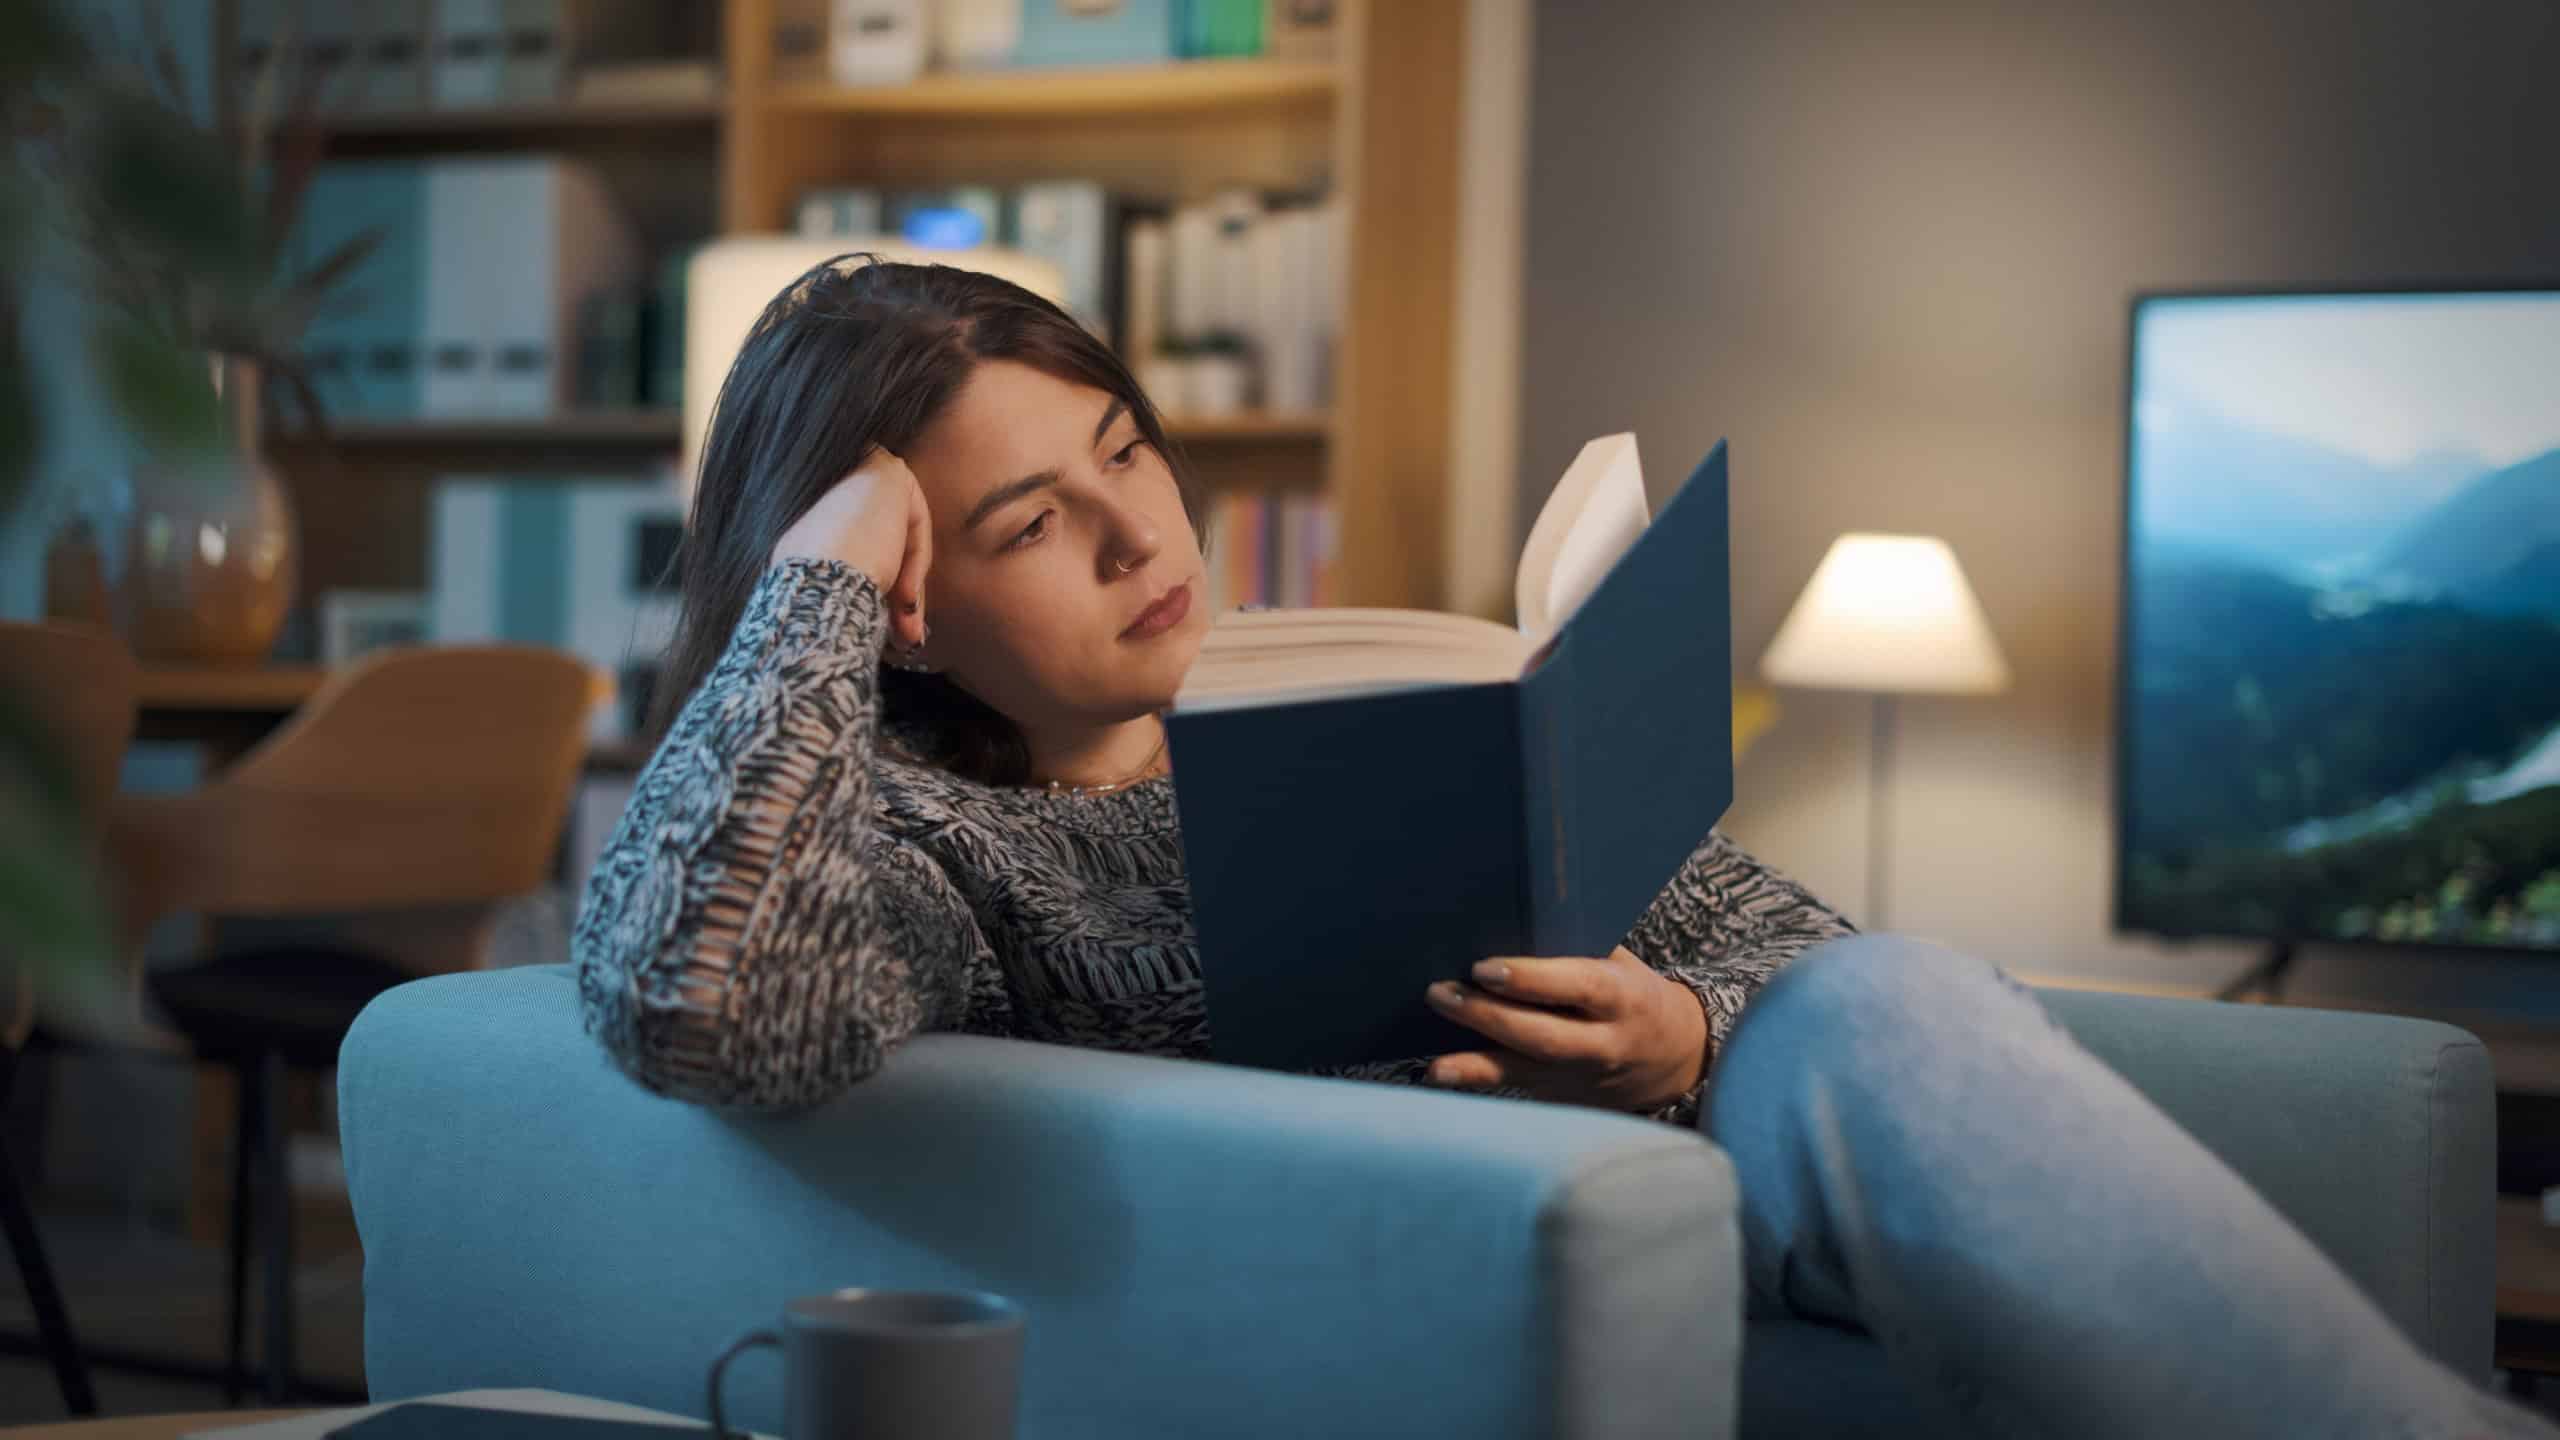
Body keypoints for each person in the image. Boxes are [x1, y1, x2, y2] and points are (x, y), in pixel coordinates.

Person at [571, 256, 2549, 1439]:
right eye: (1020, 525)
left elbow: (1835, 982)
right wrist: (808, 581)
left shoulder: (1375, 703)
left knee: (1878, 1001)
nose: (1136, 533)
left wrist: (1686, 1038)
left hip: (1697, 1172)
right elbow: (693, 998)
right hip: (1430, 1286)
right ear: (904, 594)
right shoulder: (915, 843)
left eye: (1123, 449)